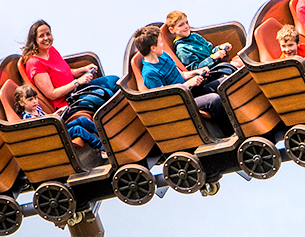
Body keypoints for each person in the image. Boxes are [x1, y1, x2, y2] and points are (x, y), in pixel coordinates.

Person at [20, 20, 119, 148]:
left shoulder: (51, 50)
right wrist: (77, 82)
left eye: (48, 34)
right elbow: (52, 93)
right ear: (34, 39)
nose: (46, 38)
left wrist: (82, 70)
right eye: (41, 36)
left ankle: (116, 129)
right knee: (105, 94)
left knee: (114, 81)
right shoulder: (34, 63)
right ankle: (110, 137)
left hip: (77, 89)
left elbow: (65, 72)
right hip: (67, 101)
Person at [134, 26, 231, 134]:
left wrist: (197, 72)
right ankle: (229, 132)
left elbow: (182, 75)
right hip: (182, 102)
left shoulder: (163, 55)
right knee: (214, 100)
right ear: (153, 48)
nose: (163, 44)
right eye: (160, 42)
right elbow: (166, 99)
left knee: (225, 82)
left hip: (191, 91)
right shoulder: (149, 74)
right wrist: (187, 84)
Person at [168, 11, 234, 71]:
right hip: (211, 73)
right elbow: (195, 69)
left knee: (238, 61)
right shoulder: (182, 49)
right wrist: (212, 58)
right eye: (181, 25)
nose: (186, 26)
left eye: (186, 22)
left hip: (218, 64)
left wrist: (219, 48)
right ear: (172, 30)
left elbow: (210, 51)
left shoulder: (195, 36)